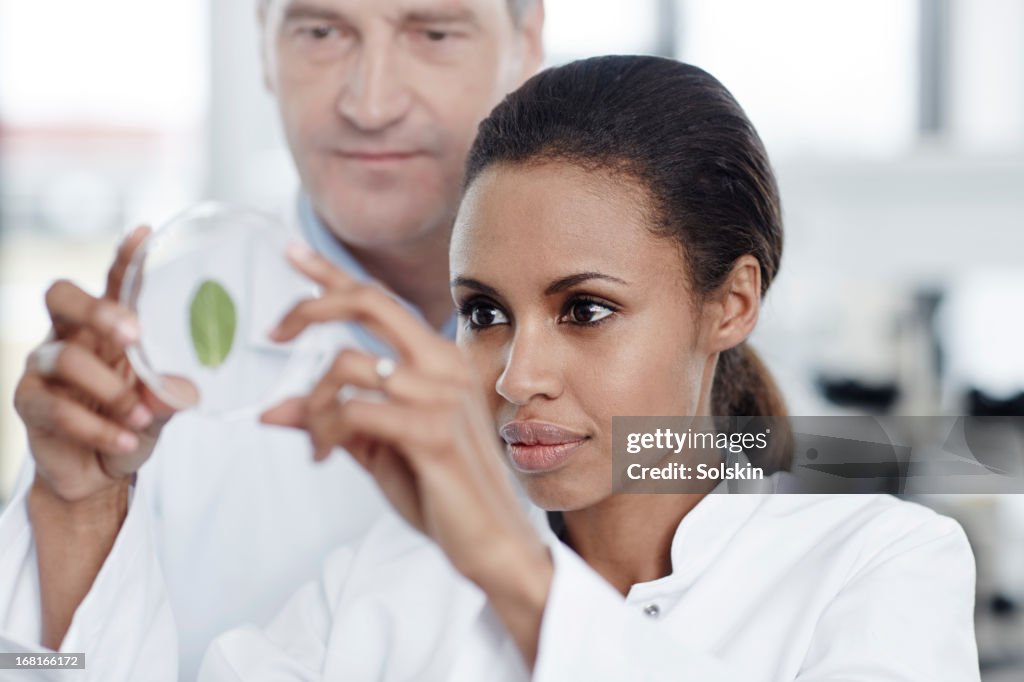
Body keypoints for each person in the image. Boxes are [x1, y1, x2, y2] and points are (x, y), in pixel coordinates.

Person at [49, 55, 978, 680]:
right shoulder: (382, 585)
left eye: (586, 310)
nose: (515, 374)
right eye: (484, 313)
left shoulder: (876, 565)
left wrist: (515, 574)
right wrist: (77, 503)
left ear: (729, 303)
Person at [0, 0, 543, 679]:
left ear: (527, 41)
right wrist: (74, 510)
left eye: (433, 33)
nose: (370, 104)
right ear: (263, 44)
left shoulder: (663, 373)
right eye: (321, 31)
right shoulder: (136, 341)